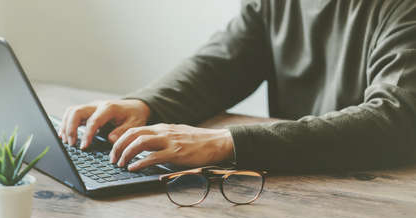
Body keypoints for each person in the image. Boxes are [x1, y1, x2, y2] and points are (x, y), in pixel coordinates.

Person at [59, 0, 416, 173]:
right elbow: (220, 65)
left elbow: (394, 120)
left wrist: (226, 142)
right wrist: (145, 105)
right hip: (296, 189)